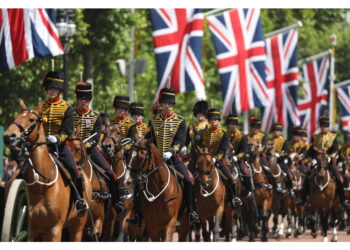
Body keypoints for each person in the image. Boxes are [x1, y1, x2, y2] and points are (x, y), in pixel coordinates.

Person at [147, 88, 200, 223]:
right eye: (166, 103)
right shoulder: (153, 120)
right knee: (139, 179)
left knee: (188, 180)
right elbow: (149, 138)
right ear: (161, 104)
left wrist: (171, 151)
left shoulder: (180, 121)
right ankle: (138, 214)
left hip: (172, 158)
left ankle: (191, 211)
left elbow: (181, 140)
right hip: (155, 159)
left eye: (171, 104)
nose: (168, 106)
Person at [39, 71, 88, 214]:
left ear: (60, 91)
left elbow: (67, 131)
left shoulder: (65, 107)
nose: (52, 91)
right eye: (50, 89)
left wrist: (56, 138)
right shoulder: (41, 106)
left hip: (59, 146)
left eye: (55, 89)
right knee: (23, 168)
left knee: (74, 170)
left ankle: (79, 199)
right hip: (41, 146)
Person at [73, 82, 125, 213]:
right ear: (77, 99)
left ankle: (116, 202)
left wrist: (85, 146)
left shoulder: (95, 117)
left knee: (110, 173)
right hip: (72, 150)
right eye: (81, 99)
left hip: (90, 151)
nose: (84, 101)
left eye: (86, 99)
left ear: (90, 100)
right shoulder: (71, 113)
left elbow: (96, 137)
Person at [296, 117, 350, 209]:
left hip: (329, 162)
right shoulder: (316, 137)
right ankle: (303, 199)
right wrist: (311, 158)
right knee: (307, 178)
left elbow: (335, 149)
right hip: (318, 162)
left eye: (325, 126)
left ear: (328, 127)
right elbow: (311, 150)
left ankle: (343, 201)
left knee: (339, 179)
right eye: (322, 126)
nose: (323, 128)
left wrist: (330, 157)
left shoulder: (333, 136)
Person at [200, 108, 242, 208]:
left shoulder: (223, 133)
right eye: (212, 119)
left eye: (216, 120)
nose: (214, 121)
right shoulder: (204, 133)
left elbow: (223, 150)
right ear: (209, 121)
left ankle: (233, 198)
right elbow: (202, 146)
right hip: (206, 160)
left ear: (219, 121)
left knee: (230, 179)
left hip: (218, 160)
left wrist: (215, 158)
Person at [247, 117, 281, 193]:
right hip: (249, 156)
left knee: (267, 170)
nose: (254, 129)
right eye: (253, 127)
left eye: (256, 127)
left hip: (260, 156)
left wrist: (257, 148)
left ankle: (275, 186)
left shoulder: (263, 135)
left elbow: (264, 147)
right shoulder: (248, 136)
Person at [226, 113, 252, 198]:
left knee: (244, 172)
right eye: (230, 124)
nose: (231, 126)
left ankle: (249, 190)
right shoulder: (225, 134)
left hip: (237, 158)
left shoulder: (241, 135)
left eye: (233, 124)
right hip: (226, 158)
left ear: (236, 125)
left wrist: (237, 157)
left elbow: (245, 150)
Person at [268, 122, 295, 198]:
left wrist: (279, 154)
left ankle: (290, 189)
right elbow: (267, 149)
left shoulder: (284, 140)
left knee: (287, 173)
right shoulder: (270, 140)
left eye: (278, 130)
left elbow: (286, 151)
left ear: (280, 132)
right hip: (270, 159)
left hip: (280, 160)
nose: (276, 132)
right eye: (275, 130)